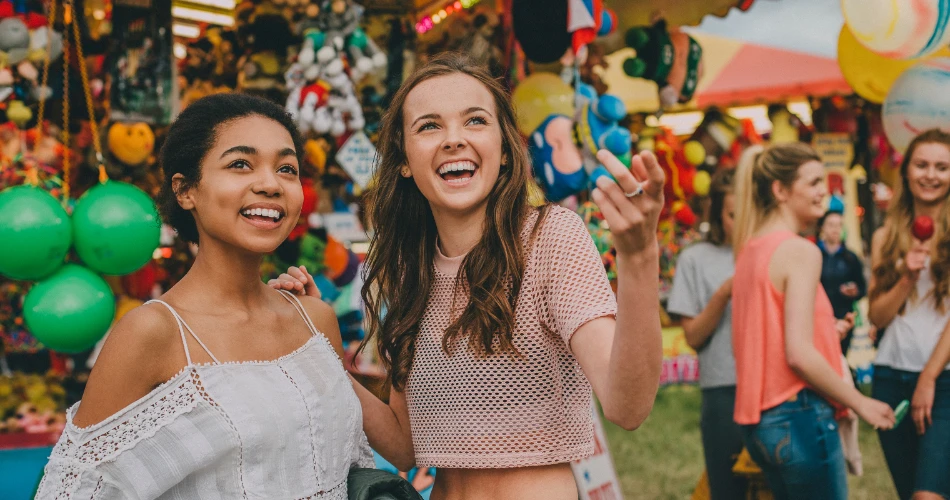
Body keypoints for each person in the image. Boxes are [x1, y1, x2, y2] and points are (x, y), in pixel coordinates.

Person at [272, 52, 664, 499]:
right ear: (402, 159)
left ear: (503, 149)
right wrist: (314, 347)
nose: (454, 139)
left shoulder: (549, 237)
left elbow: (627, 406)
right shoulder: (407, 270)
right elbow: (404, 445)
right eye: (429, 125)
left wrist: (639, 258)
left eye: (475, 121)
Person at [36, 94, 374, 499]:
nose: (270, 184)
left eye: (287, 169)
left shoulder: (315, 320)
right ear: (185, 191)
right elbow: (73, 491)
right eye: (240, 164)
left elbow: (349, 465)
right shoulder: (152, 333)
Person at [731, 142, 895, 500]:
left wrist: (825, 333)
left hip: (761, 423)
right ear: (780, 190)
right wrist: (859, 402)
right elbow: (798, 355)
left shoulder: (751, 249)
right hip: (799, 414)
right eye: (814, 182)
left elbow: (764, 337)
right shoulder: (800, 251)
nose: (826, 191)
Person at [868, 129, 950, 500]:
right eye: (921, 165)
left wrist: (929, 378)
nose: (930, 174)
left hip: (944, 379)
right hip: (891, 376)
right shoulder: (885, 237)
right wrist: (906, 278)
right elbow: (876, 317)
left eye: (942, 167)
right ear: (906, 172)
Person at [667, 169, 747, 500]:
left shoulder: (770, 250)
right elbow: (694, 337)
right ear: (716, 214)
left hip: (774, 388)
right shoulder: (694, 259)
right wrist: (724, 294)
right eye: (732, 215)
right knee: (728, 488)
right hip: (724, 389)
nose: (741, 223)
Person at [816, 210, 865, 355]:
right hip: (818, 319)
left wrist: (854, 291)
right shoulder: (814, 255)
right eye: (831, 225)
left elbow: (862, 288)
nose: (835, 229)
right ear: (822, 228)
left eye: (839, 225)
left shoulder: (850, 258)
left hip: (843, 319)